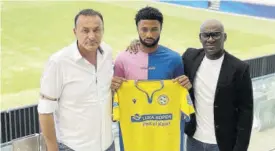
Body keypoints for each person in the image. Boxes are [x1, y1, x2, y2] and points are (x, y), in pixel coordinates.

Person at [111, 6, 192, 151]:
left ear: (161, 29)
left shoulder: (174, 59)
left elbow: (181, 97)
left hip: (164, 137)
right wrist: (112, 88)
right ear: (137, 29)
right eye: (144, 29)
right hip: (135, 136)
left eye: (154, 29)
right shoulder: (122, 59)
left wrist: (185, 85)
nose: (149, 34)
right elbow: (114, 99)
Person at [37, 9, 115, 151]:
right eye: (85, 31)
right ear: (75, 32)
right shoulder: (58, 62)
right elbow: (45, 111)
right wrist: (53, 149)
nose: (91, 36)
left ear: (103, 30)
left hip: (108, 145)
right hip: (73, 147)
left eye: (96, 30)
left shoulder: (107, 53)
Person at [183, 19, 254, 151]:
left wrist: (240, 148)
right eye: (206, 35)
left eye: (215, 34)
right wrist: (137, 44)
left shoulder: (239, 68)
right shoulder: (190, 57)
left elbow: (246, 112)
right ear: (200, 37)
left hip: (222, 144)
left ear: (224, 37)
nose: (210, 39)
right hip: (194, 140)